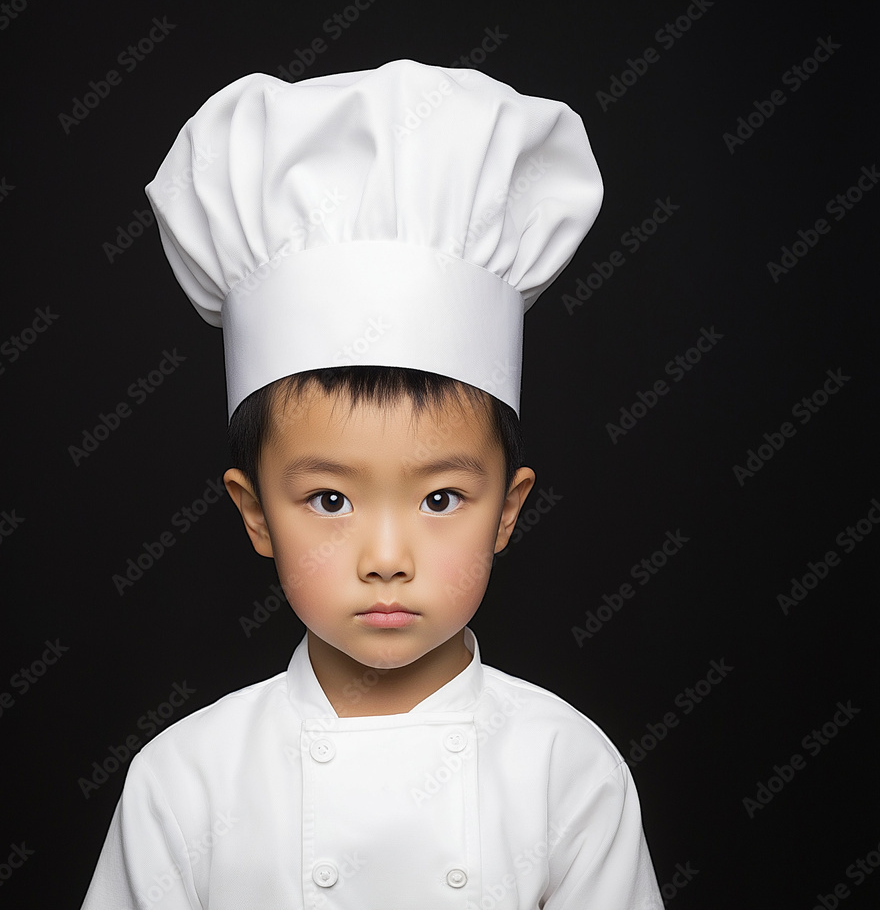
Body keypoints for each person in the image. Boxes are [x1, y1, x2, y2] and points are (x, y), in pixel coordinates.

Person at [80, 59, 664, 908]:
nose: (386, 558)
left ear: (508, 510)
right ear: (254, 512)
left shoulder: (566, 771)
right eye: (331, 501)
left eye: (439, 499)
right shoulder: (186, 781)